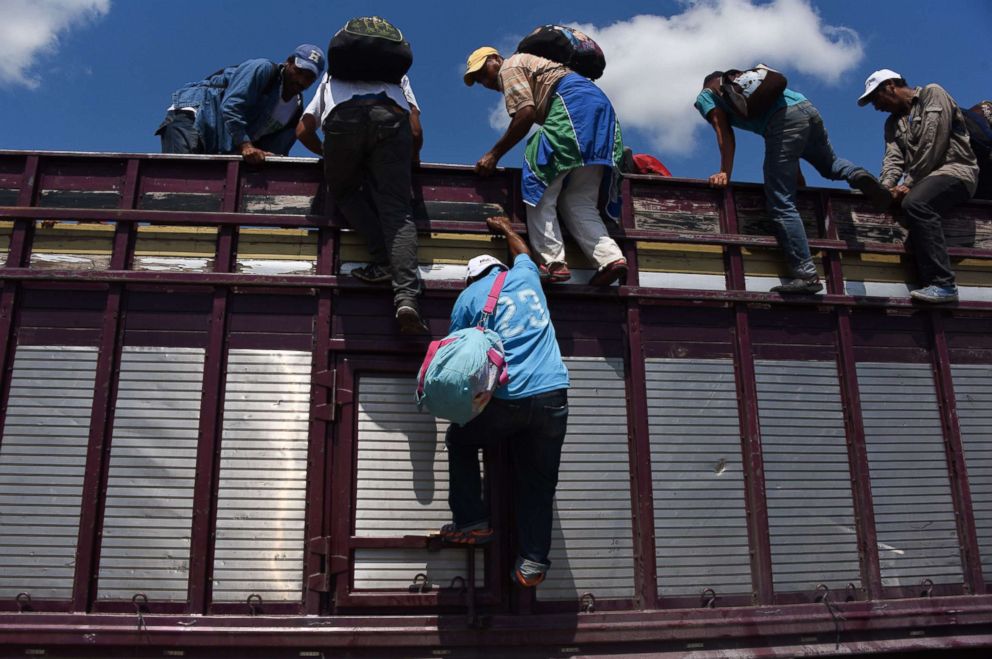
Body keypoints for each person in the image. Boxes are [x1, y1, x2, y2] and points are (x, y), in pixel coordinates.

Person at [439, 215, 569, 588]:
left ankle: (472, 522)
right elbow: (524, 252)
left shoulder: (467, 298)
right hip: (553, 396)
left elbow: (458, 356)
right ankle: (532, 563)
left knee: (460, 439)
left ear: (471, 278)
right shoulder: (526, 275)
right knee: (539, 483)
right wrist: (508, 229)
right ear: (500, 268)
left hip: (508, 398)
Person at [695, 68, 890, 294]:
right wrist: (798, 178)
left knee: (780, 202)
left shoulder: (706, 96)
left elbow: (724, 132)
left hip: (781, 123)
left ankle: (806, 276)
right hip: (804, 107)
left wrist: (724, 172)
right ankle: (857, 175)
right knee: (830, 165)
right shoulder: (753, 84)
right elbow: (787, 146)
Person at [463, 47, 628, 286]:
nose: (483, 80)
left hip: (573, 108)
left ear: (496, 59)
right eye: (477, 79)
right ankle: (612, 259)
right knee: (578, 200)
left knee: (539, 187)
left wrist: (493, 155)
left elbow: (525, 114)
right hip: (601, 117)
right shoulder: (536, 64)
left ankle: (554, 263)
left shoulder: (509, 67)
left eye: (482, 70)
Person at [295, 49, 426, 334]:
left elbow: (303, 131)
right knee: (397, 210)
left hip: (343, 123)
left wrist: (332, 157)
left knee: (343, 192)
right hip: (390, 120)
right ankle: (406, 299)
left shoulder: (332, 76)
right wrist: (408, 159)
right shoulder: (396, 77)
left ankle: (382, 257)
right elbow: (415, 129)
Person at [858, 69, 980, 304]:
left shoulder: (932, 94)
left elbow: (932, 143)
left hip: (956, 171)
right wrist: (885, 189)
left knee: (917, 203)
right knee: (905, 202)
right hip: (923, 179)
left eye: (876, 98)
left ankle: (943, 284)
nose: (876, 106)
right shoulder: (892, 123)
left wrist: (909, 183)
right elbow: (893, 159)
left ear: (891, 86)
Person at [157, 44, 324, 164]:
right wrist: (245, 145)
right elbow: (231, 106)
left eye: (309, 77)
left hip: (222, 142)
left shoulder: (295, 110)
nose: (301, 80)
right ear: (288, 62)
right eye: (299, 71)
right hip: (195, 117)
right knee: (181, 180)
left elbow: (274, 151)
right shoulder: (263, 69)